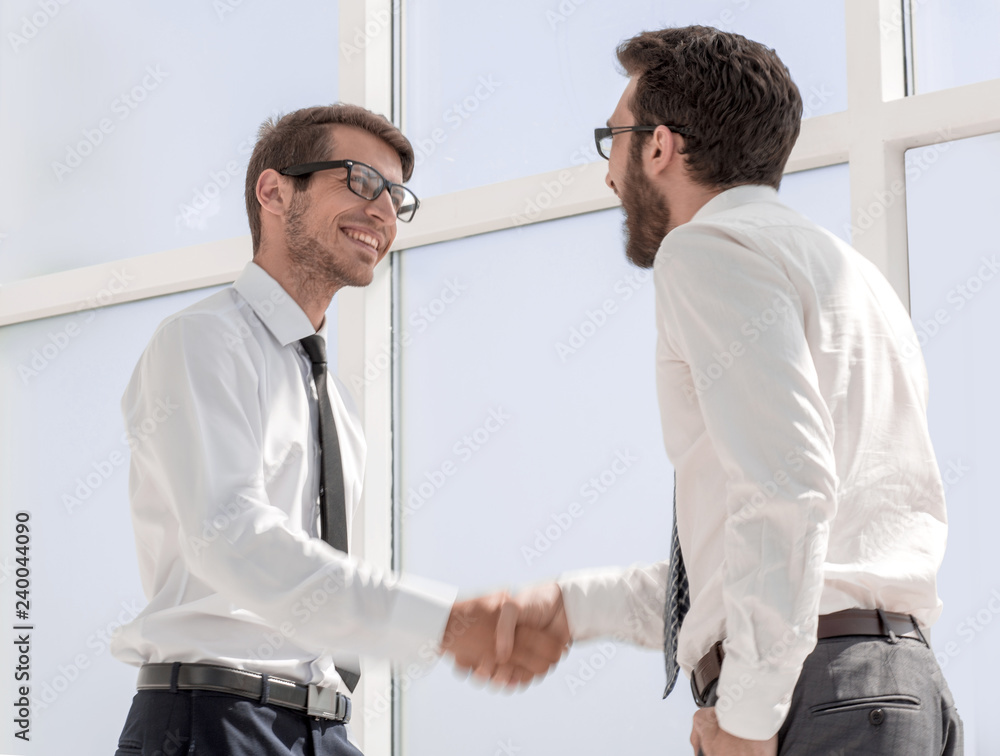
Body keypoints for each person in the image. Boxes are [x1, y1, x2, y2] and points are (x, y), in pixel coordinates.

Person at [502, 26, 963, 756]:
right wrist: (572, 608)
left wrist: (747, 717)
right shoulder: (848, 275)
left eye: (612, 139)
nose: (608, 175)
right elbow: (752, 555)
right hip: (894, 687)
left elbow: (786, 491)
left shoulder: (707, 249)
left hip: (819, 695)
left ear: (658, 146)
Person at [111, 104, 566, 756]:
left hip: (321, 727)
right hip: (215, 719)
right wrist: (443, 621)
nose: (384, 212)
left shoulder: (334, 399)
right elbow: (231, 537)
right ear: (274, 191)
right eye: (359, 180)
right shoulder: (202, 341)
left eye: (397, 196)